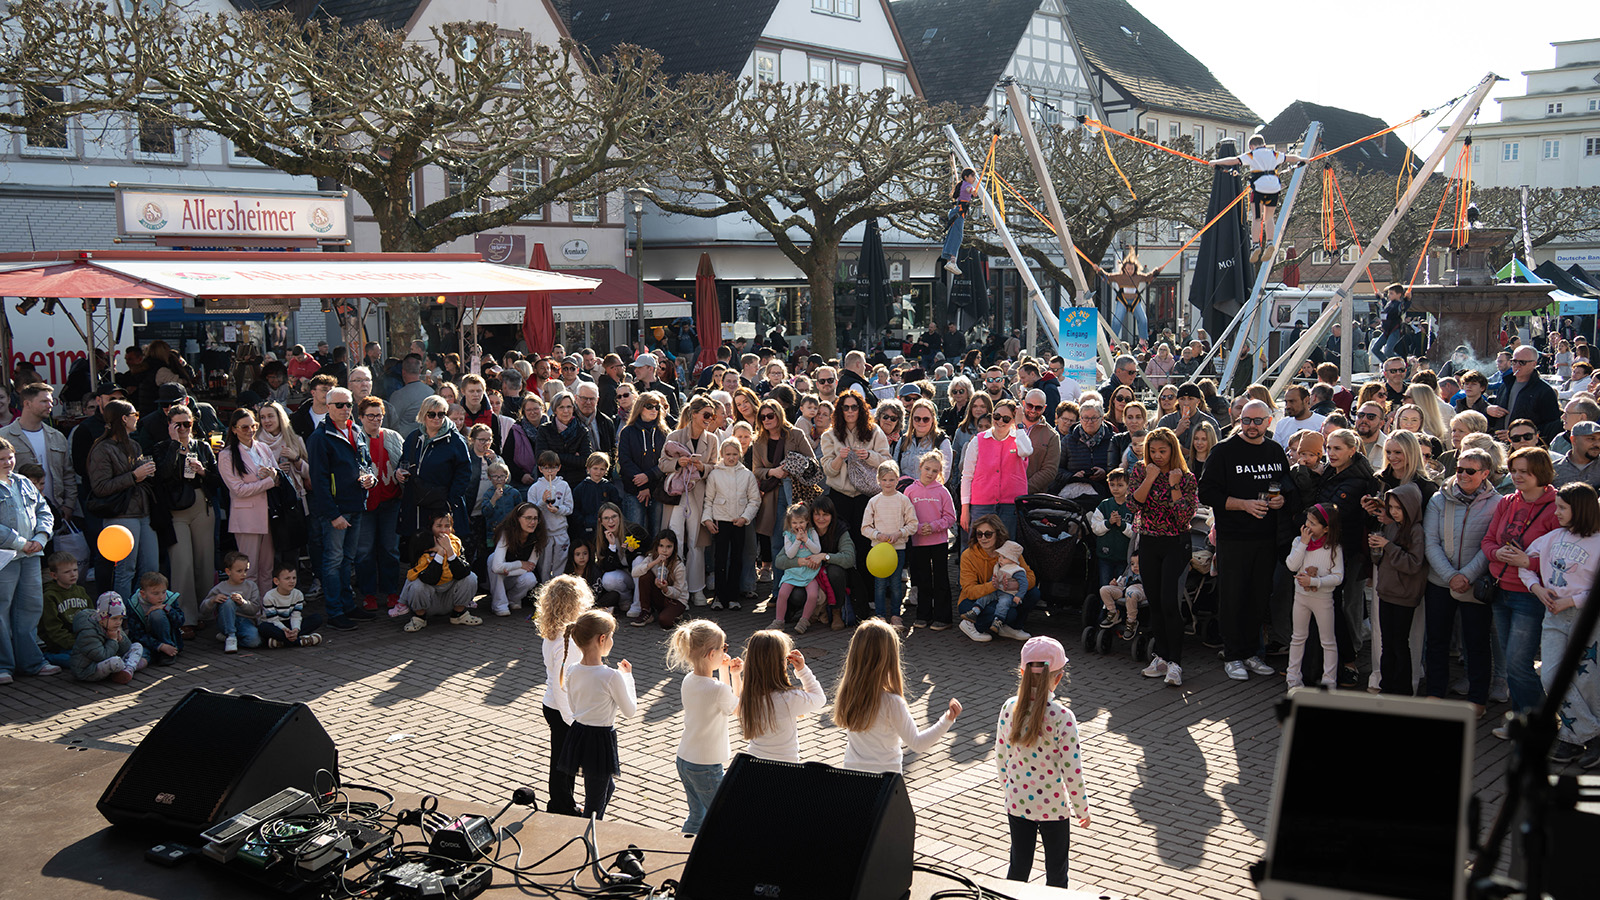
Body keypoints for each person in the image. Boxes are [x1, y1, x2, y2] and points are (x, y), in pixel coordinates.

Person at [1200, 401, 1288, 682]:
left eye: (1258, 421)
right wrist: (1243, 505)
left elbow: (1282, 483)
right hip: (1234, 538)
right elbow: (1207, 493)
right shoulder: (1224, 451)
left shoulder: (1275, 450)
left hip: (1266, 538)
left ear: (1269, 421)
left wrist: (1280, 499)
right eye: (1246, 420)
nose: (1251, 426)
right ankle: (1233, 654)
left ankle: (1252, 653)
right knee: (1233, 596)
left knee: (1258, 596)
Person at [995, 636, 1090, 889]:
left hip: (1017, 801)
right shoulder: (1063, 717)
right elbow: (1073, 771)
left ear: (1022, 671)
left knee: (1018, 868)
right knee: (1057, 874)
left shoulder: (1009, 708)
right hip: (1054, 807)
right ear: (1058, 677)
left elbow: (1001, 756)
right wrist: (1082, 809)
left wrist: (1009, 789)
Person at [1520, 482, 1600, 767]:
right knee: (1551, 675)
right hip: (1553, 615)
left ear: (1580, 509)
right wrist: (1537, 589)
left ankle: (1571, 738)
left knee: (1586, 681)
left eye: (1562, 508)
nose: (1557, 513)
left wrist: (1573, 601)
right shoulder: (1552, 537)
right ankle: (1593, 734)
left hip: (1587, 619)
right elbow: (1523, 563)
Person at [1483, 446, 1560, 716]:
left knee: (1518, 663)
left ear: (1540, 473)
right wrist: (1497, 553)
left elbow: (1562, 559)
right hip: (1500, 590)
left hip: (1530, 595)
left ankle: (1537, 722)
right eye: (1513, 470)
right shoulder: (1507, 501)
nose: (1516, 476)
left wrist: (1528, 563)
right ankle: (1521, 719)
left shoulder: (1556, 507)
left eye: (1524, 472)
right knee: (1512, 661)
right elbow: (1488, 540)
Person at [1423, 448, 1500, 712]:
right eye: (1459, 469)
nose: (1462, 475)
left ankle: (1477, 698)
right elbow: (1430, 541)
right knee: (1436, 639)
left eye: (1470, 471)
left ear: (1485, 473)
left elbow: (1490, 545)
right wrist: (1450, 575)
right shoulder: (1438, 499)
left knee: (1476, 641)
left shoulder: (1498, 503)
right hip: (1440, 581)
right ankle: (1435, 691)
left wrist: (1466, 575)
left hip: (1475, 583)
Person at [834, 618, 961, 774]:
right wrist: (947, 719)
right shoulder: (891, 702)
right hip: (885, 783)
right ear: (889, 658)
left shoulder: (848, 693)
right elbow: (917, 743)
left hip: (853, 778)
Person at [1128, 426, 1200, 688]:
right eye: (1153, 451)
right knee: (1155, 602)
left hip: (1175, 543)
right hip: (1148, 542)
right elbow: (1134, 504)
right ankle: (1161, 656)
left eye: (1163, 451)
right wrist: (1150, 477)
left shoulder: (1186, 477)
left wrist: (1173, 485)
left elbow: (1184, 517)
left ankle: (1176, 663)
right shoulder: (1139, 470)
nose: (1157, 455)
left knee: (1170, 602)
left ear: (1173, 450)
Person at [308, 387, 376, 631]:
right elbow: (319, 481)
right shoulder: (320, 437)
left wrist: (370, 479)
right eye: (339, 405)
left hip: (356, 504)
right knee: (333, 561)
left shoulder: (355, 430)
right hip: (336, 510)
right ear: (327, 407)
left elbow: (365, 464)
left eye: (348, 404)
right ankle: (335, 611)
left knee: (348, 559)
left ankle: (347, 606)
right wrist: (333, 514)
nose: (345, 408)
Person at [558, 608, 635, 820]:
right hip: (599, 739)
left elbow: (573, 706)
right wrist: (628, 678)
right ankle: (588, 842)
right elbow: (630, 711)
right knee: (594, 806)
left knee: (605, 788)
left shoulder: (572, 669)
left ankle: (590, 832)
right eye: (611, 637)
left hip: (579, 733)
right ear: (602, 639)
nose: (612, 641)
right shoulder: (610, 676)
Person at [666, 619, 741, 835]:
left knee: (697, 815)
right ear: (711, 654)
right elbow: (736, 707)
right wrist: (736, 675)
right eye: (723, 648)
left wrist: (724, 671)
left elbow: (721, 697)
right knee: (721, 815)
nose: (725, 652)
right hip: (706, 765)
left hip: (685, 759)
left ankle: (682, 850)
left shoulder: (689, 679)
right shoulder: (716, 689)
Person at [152, 403, 219, 630]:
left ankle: (205, 612)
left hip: (201, 505)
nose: (183, 428)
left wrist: (202, 471)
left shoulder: (202, 446)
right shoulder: (162, 447)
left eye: (187, 424)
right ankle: (186, 618)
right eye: (177, 424)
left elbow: (217, 481)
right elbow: (163, 476)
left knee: (204, 561)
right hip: (175, 510)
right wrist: (174, 445)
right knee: (182, 564)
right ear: (169, 425)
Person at [86, 400, 158, 601]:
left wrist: (146, 472)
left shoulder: (134, 445)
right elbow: (99, 487)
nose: (138, 418)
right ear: (124, 419)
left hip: (142, 511)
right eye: (135, 414)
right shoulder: (102, 448)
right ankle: (121, 618)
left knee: (151, 567)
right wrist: (134, 476)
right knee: (126, 569)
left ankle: (142, 613)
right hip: (120, 513)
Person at [0, 436, 56, 683]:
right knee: (1, 610)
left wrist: (41, 538)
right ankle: (3, 665)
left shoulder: (23, 482)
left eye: (9, 457)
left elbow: (44, 511)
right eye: (1, 459)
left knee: (30, 608)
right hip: (5, 558)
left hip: (32, 555)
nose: (7, 462)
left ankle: (32, 662)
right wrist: (21, 542)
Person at [535, 575, 592, 816]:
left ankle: (564, 803)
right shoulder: (563, 642)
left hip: (560, 707)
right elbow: (560, 686)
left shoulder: (559, 633)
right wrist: (573, 720)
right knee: (562, 763)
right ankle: (560, 805)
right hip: (562, 709)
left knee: (565, 760)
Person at [1207, 134, 1310, 258]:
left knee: (1257, 218)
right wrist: (1303, 159)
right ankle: (1270, 242)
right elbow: (1290, 158)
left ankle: (1256, 245)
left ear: (1251, 146)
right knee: (1269, 217)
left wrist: (1215, 162)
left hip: (1259, 188)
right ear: (1264, 145)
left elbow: (1233, 160)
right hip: (1274, 187)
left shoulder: (1251, 155)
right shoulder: (1273, 154)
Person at [1370, 485, 1427, 696]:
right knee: (1387, 643)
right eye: (1391, 506)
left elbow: (1414, 564)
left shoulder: (1416, 531)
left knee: (1400, 643)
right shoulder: (1390, 526)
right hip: (1386, 592)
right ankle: (1387, 687)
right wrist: (1375, 549)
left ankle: (1402, 691)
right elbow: (1380, 560)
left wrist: (1387, 546)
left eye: (1398, 508)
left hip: (1404, 596)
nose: (1393, 511)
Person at [739, 630, 825, 762]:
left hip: (755, 763)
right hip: (785, 766)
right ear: (781, 663)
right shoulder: (788, 698)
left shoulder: (747, 695)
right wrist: (802, 671)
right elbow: (820, 699)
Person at [1, 383, 74, 533]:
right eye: (44, 401)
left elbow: (68, 474)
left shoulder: (57, 437)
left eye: (51, 401)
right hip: (18, 516)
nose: (50, 405)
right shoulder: (5, 436)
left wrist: (69, 505)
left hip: (54, 512)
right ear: (27, 404)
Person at [960, 398, 1032, 538]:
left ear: (1012, 420)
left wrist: (1019, 425)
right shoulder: (978, 440)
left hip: (1010, 506)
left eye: (1006, 419)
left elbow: (1027, 451)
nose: (1000, 421)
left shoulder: (1019, 438)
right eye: (997, 416)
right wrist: (965, 508)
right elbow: (967, 476)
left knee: (1007, 548)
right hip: (981, 505)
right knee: (979, 547)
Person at [398, 511, 481, 632]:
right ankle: (419, 617)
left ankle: (458, 615)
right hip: (429, 597)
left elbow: (463, 572)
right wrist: (440, 553)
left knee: (471, 578)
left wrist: (449, 551)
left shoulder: (456, 543)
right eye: (439, 526)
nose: (443, 530)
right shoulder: (422, 543)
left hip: (450, 597)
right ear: (431, 527)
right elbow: (429, 579)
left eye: (447, 526)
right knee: (417, 585)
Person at [701, 438, 759, 611]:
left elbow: (755, 500)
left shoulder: (747, 474)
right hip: (720, 522)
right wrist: (708, 520)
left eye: (735, 454)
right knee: (719, 559)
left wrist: (745, 518)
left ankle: (733, 596)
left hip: (739, 522)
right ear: (722, 455)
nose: (731, 458)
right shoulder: (715, 474)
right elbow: (708, 500)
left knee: (736, 558)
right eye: (728, 454)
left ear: (740, 455)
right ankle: (719, 596)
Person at [957, 516, 1034, 643]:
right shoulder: (968, 555)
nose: (983, 538)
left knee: (1033, 593)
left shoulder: (1010, 550)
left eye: (988, 534)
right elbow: (969, 591)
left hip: (1005, 594)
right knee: (1009, 614)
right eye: (979, 534)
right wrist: (994, 585)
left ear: (998, 534)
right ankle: (971, 625)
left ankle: (1011, 626)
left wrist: (1013, 585)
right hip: (974, 600)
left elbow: (1030, 577)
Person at [905, 452, 957, 629]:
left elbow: (951, 517)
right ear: (920, 467)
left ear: (939, 472)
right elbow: (906, 517)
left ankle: (943, 618)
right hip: (918, 543)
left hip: (939, 543)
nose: (930, 473)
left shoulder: (942, 491)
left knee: (941, 579)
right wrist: (919, 528)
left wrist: (934, 526)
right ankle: (923, 615)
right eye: (927, 469)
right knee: (922, 579)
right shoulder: (910, 490)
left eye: (935, 471)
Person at [1488, 345, 1561, 441]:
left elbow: (1552, 427)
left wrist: (1517, 435)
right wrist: (1489, 410)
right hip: (1502, 444)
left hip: (1526, 447)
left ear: (1534, 364)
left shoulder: (1544, 391)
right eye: (1514, 361)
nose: (1517, 365)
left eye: (1522, 362)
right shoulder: (1505, 384)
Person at [69, 592, 144, 684]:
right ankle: (128, 666)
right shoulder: (88, 632)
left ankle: (128, 670)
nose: (118, 622)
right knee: (115, 662)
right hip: (89, 670)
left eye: (121, 618)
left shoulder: (112, 626)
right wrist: (113, 640)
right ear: (102, 618)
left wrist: (120, 639)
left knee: (137, 646)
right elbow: (101, 656)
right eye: (114, 618)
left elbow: (126, 648)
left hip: (109, 656)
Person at [37, 552, 89, 667]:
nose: (73, 574)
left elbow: (92, 616)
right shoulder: (49, 596)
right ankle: (47, 657)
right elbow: (53, 629)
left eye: (75, 570)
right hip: (61, 645)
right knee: (79, 660)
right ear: (54, 575)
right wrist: (75, 644)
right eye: (67, 572)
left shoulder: (81, 591)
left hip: (82, 640)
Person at [256, 563, 325, 648]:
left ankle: (282, 641)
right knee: (263, 628)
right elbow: (273, 620)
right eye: (287, 578)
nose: (292, 581)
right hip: (275, 625)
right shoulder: (269, 597)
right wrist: (285, 630)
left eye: (294, 578)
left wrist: (295, 629)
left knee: (317, 618)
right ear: (276, 581)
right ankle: (299, 641)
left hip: (290, 623)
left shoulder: (298, 594)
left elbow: (296, 616)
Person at [1094, 256, 1158, 344]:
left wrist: (1157, 271)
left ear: (1135, 269)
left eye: (1132, 269)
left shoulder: (1138, 276)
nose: (1130, 271)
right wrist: (1099, 271)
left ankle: (1142, 340)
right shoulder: (1119, 277)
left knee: (1143, 319)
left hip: (1134, 301)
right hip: (1122, 301)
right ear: (1124, 269)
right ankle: (1113, 339)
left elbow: (1148, 277)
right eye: (1128, 269)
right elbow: (1108, 277)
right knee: (1117, 320)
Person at [126, 571, 182, 667]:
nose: (161, 597)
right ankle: (131, 668)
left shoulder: (170, 598)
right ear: (143, 594)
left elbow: (180, 621)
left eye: (163, 592)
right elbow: (137, 633)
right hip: (146, 642)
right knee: (141, 653)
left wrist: (167, 608)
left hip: (168, 641)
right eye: (155, 593)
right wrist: (159, 646)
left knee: (157, 614)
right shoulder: (133, 604)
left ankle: (167, 653)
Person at [941, 165, 977, 275]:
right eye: (972, 176)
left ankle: (950, 260)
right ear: (966, 177)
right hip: (958, 213)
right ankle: (952, 261)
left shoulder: (964, 184)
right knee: (957, 236)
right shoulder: (966, 185)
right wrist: (974, 191)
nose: (974, 178)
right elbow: (970, 190)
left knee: (954, 235)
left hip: (958, 213)